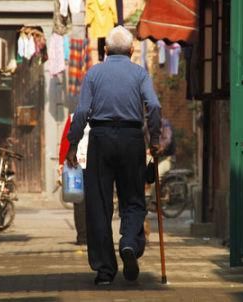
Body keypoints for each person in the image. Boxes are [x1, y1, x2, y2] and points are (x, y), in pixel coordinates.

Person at [65, 25, 162, 285]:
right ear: (132, 51)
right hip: (132, 141)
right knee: (133, 199)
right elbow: (153, 105)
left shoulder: (94, 74)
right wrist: (154, 140)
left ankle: (105, 271)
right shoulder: (140, 74)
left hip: (100, 140)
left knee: (99, 205)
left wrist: (73, 145)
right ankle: (129, 243)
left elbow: (83, 111)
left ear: (105, 50)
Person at [58, 113, 90, 245]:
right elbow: (65, 140)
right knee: (90, 202)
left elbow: (66, 140)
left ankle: (82, 237)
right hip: (86, 164)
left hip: (80, 163)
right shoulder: (102, 113)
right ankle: (88, 236)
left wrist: (61, 162)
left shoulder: (73, 116)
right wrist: (61, 162)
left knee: (80, 202)